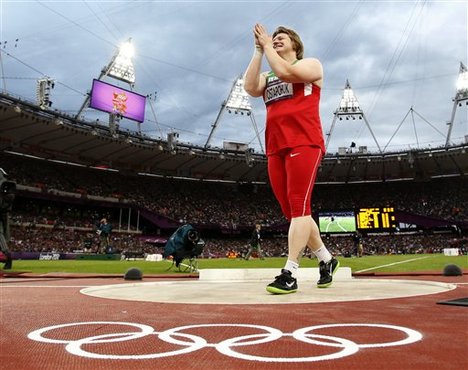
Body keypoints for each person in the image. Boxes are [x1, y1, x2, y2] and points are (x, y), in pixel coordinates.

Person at [244, 24, 339, 294]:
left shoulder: (311, 65)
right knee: (294, 213)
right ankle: (327, 260)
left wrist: (267, 47)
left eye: (280, 38)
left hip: (305, 142)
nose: (275, 41)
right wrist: (257, 51)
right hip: (276, 146)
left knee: (299, 206)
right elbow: (250, 87)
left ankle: (290, 272)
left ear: (295, 44)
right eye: (272, 39)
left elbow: (287, 71)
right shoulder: (268, 74)